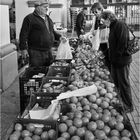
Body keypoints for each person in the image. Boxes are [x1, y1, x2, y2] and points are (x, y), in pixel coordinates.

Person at [100, 10, 133, 113]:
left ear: (108, 18)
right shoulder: (112, 26)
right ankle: (120, 102)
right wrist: (106, 53)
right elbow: (113, 44)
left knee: (123, 83)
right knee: (116, 83)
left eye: (103, 20)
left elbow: (122, 43)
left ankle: (128, 105)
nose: (102, 22)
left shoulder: (120, 25)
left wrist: (116, 56)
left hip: (121, 61)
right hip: (115, 61)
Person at [19, 0, 65, 67]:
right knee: (36, 72)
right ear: (37, 7)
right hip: (36, 52)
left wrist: (60, 37)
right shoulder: (29, 18)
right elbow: (23, 34)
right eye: (45, 7)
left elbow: (51, 31)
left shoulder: (48, 18)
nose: (47, 8)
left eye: (47, 7)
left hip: (48, 50)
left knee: (48, 71)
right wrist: (23, 49)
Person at [90, 2, 111, 71]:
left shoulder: (107, 15)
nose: (94, 13)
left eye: (95, 11)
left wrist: (101, 28)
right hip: (99, 42)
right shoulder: (95, 18)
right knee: (102, 59)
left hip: (107, 42)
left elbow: (109, 26)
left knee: (108, 60)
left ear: (101, 9)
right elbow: (93, 30)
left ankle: (109, 72)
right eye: (93, 12)